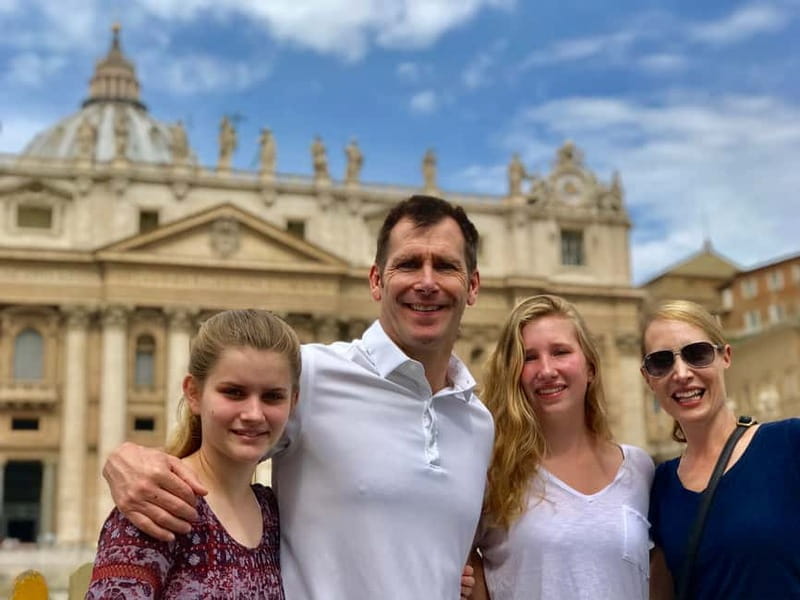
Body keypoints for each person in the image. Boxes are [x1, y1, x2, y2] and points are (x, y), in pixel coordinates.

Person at [102, 195, 494, 599]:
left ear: (473, 285)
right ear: (376, 280)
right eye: (409, 264)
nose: (427, 283)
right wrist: (126, 459)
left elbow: (479, 547)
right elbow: (215, 444)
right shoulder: (308, 375)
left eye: (445, 266)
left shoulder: (479, 423)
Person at [86, 309, 301, 598]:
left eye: (273, 396)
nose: (253, 414)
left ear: (294, 401)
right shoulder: (159, 506)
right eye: (234, 392)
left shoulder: (274, 514)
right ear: (194, 394)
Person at [470, 294, 654, 600]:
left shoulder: (640, 468)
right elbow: (454, 555)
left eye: (560, 352)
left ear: (591, 367)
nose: (546, 369)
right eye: (529, 357)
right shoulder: (492, 470)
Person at [643, 300, 800, 600]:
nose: (681, 373)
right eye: (661, 361)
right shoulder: (659, 484)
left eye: (697, 354)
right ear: (648, 377)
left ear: (725, 356)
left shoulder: (790, 443)